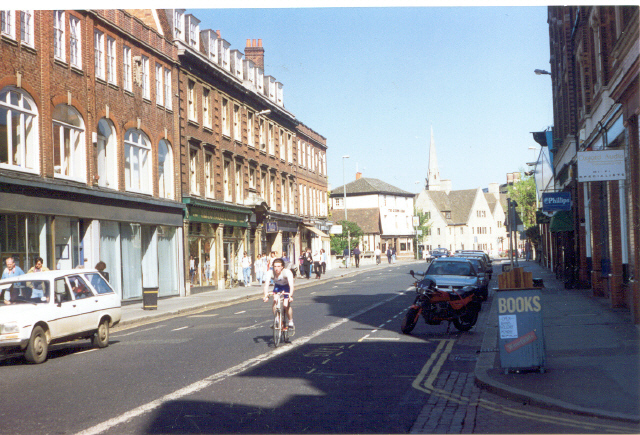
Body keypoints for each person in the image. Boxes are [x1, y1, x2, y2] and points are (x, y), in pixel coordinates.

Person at [262, 258, 295, 329]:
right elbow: (266, 285)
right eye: (275, 266)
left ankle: (290, 321)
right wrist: (265, 295)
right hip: (278, 287)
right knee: (275, 300)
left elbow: (291, 285)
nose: (276, 268)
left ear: (282, 267)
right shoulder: (270, 272)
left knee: (286, 305)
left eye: (278, 266)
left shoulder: (287, 272)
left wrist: (290, 295)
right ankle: (277, 318)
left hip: (286, 287)